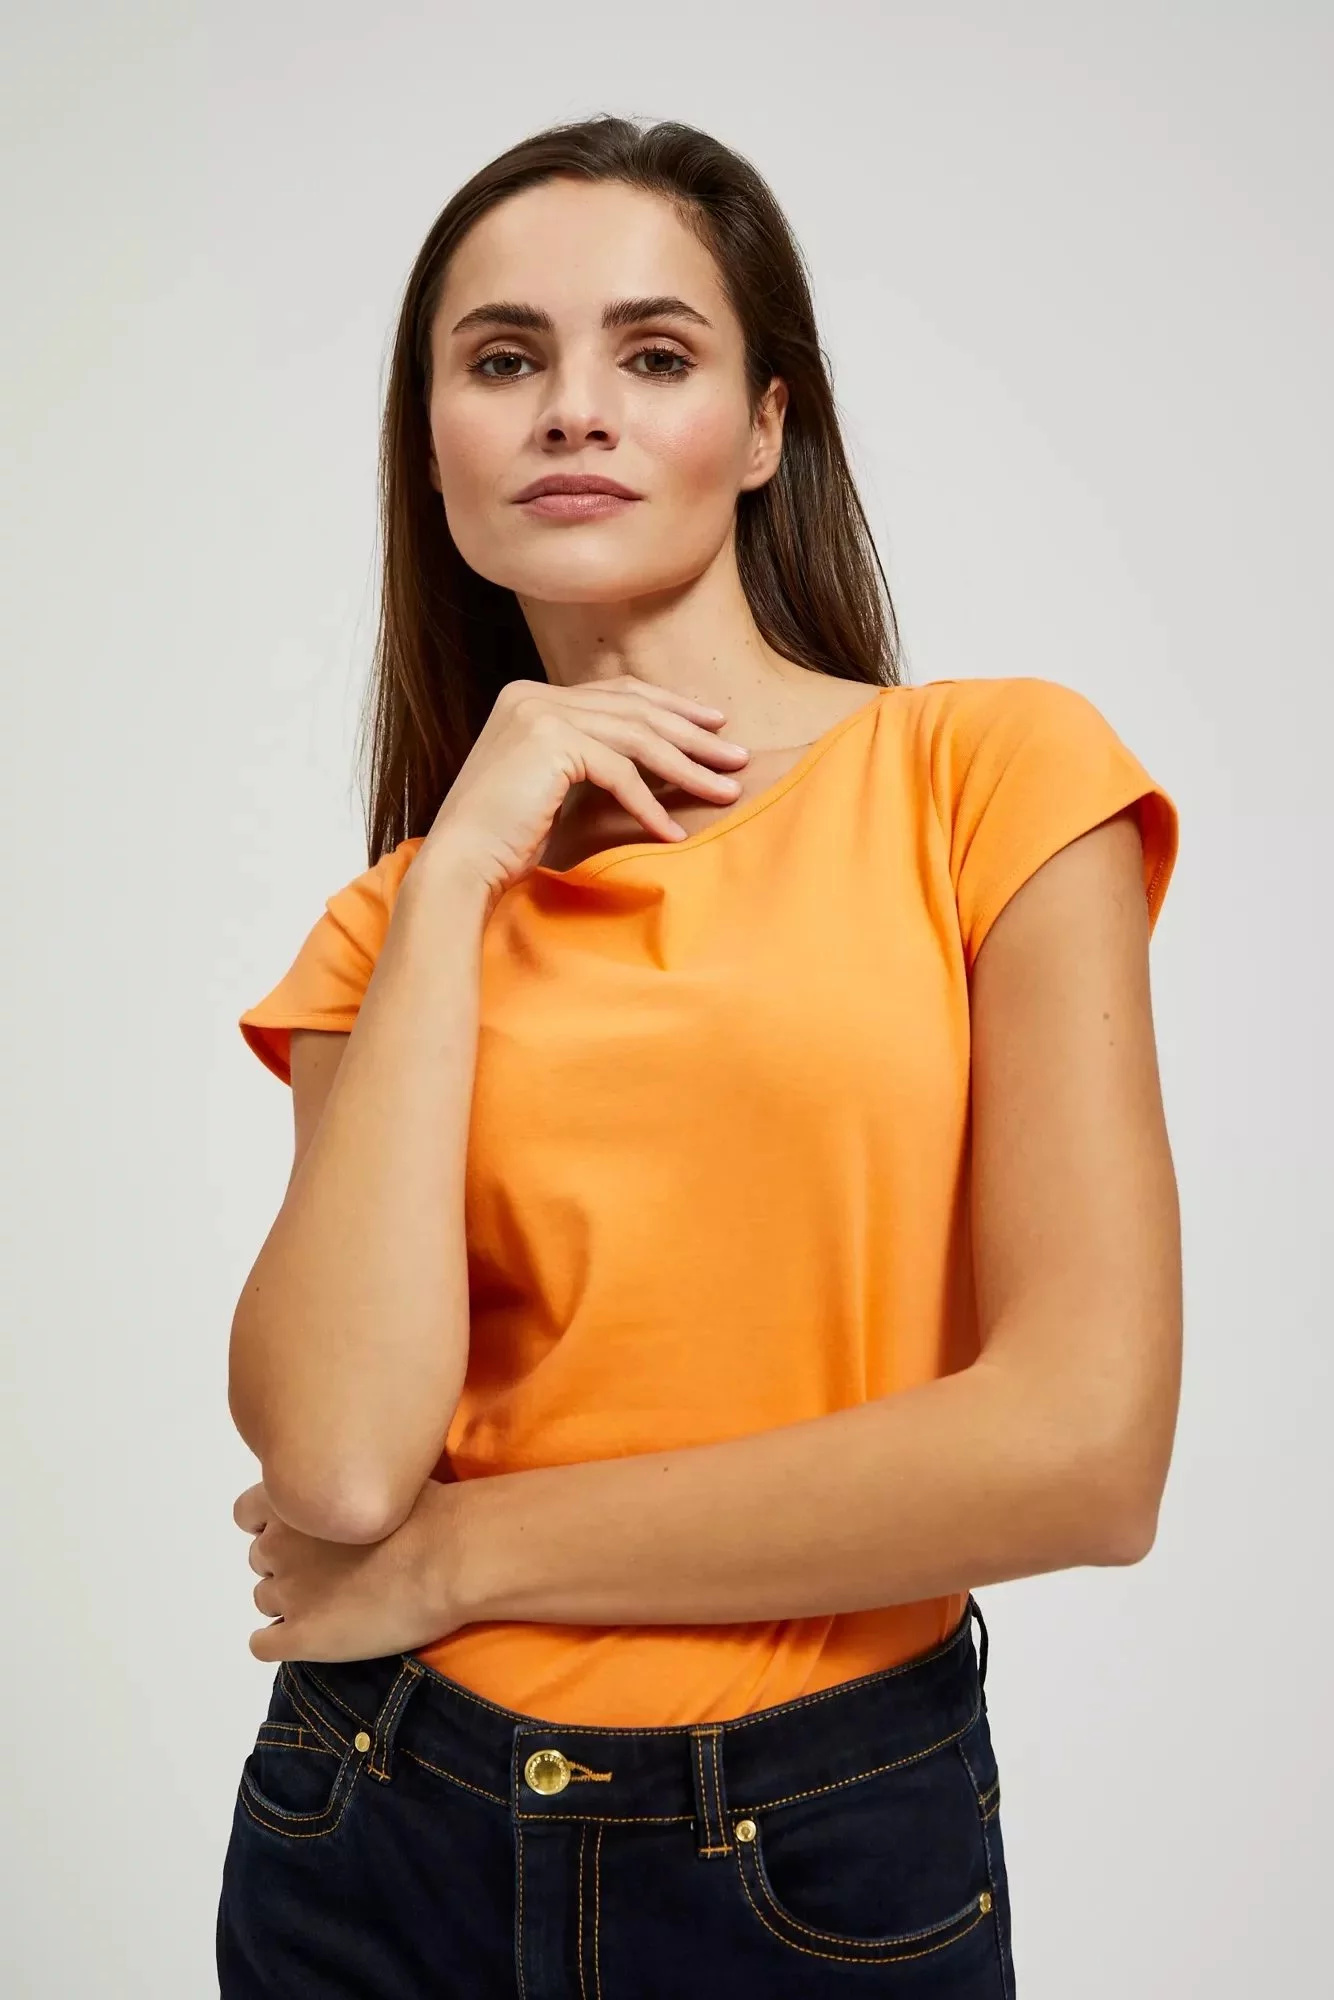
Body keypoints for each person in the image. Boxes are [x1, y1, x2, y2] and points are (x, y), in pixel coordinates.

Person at [215, 114, 1181, 1998]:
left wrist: (461, 1560)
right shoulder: (395, 923)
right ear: (433, 439)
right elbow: (332, 1459)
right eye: (505, 360)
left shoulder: (985, 780)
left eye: (653, 356)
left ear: (761, 428)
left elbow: (1082, 1452)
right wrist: (458, 871)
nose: (572, 409)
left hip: (810, 1847)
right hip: (373, 1827)